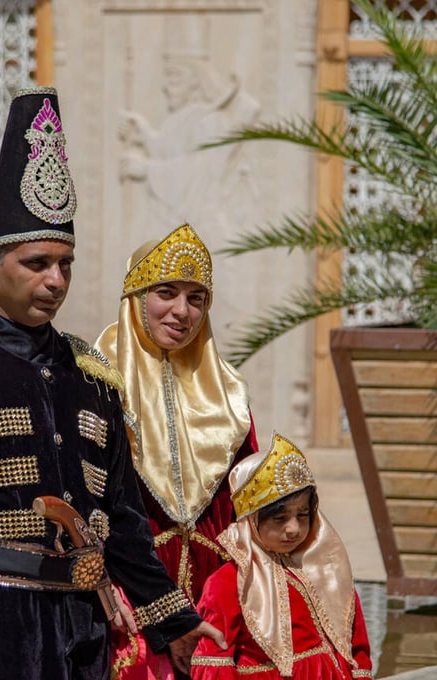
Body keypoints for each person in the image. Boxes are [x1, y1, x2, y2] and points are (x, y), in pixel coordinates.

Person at [0, 87, 223, 680]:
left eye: (65, 263)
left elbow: (119, 518)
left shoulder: (91, 375)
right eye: (36, 264)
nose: (55, 280)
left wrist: (171, 619)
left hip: (79, 625)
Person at [94, 223, 257, 678]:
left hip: (216, 594)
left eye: (196, 298)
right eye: (166, 292)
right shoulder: (94, 380)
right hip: (130, 592)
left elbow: (247, 507)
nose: (182, 312)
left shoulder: (229, 393)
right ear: (135, 295)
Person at [188, 432, 373, 679]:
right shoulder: (227, 582)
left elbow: (356, 643)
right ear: (251, 521)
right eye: (279, 518)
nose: (294, 528)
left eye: (303, 515)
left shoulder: (327, 570)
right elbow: (213, 661)